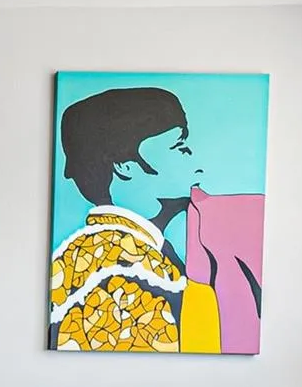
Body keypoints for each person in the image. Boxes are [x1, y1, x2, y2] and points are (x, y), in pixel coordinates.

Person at [50, 86, 220, 352]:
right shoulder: (121, 269)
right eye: (180, 148)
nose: (198, 166)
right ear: (125, 167)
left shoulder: (130, 252)